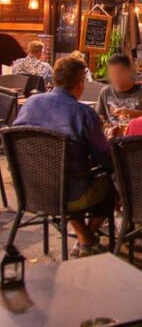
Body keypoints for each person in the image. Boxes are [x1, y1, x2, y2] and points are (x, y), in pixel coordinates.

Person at [14, 55, 113, 256]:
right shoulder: (83, 114)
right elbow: (105, 159)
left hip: (30, 188)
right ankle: (87, 239)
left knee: (67, 178)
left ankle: (85, 239)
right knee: (112, 183)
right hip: (70, 195)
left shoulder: (31, 103)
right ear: (79, 84)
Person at [96, 54, 142, 133]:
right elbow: (99, 116)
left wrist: (130, 112)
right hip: (112, 139)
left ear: (129, 71)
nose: (116, 77)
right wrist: (103, 124)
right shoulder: (105, 91)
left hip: (136, 139)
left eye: (119, 73)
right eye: (112, 74)